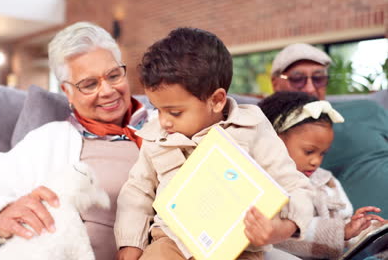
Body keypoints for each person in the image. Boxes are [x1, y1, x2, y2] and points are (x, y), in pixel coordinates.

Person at [0, 21, 151, 259]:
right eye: (89, 84)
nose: (106, 91)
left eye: (114, 76)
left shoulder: (167, 128)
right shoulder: (49, 140)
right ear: (67, 92)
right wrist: (0, 215)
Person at [114, 27, 315, 260]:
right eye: (157, 109)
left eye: (175, 112)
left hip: (236, 249)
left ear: (217, 100)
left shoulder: (251, 127)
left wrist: (281, 229)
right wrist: (130, 246)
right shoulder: (155, 137)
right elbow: (137, 193)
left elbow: (295, 187)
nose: (163, 121)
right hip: (171, 242)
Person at [258, 91, 386, 259]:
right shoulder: (265, 183)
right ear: (275, 139)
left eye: (322, 153)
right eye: (309, 151)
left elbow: (345, 224)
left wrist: (365, 228)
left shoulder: (327, 181)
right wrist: (341, 232)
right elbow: (282, 236)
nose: (316, 161)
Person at [270, 43, 388, 219]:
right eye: (297, 78)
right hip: (361, 235)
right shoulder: (268, 128)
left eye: (318, 78)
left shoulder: (367, 108)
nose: (310, 88)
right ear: (276, 83)